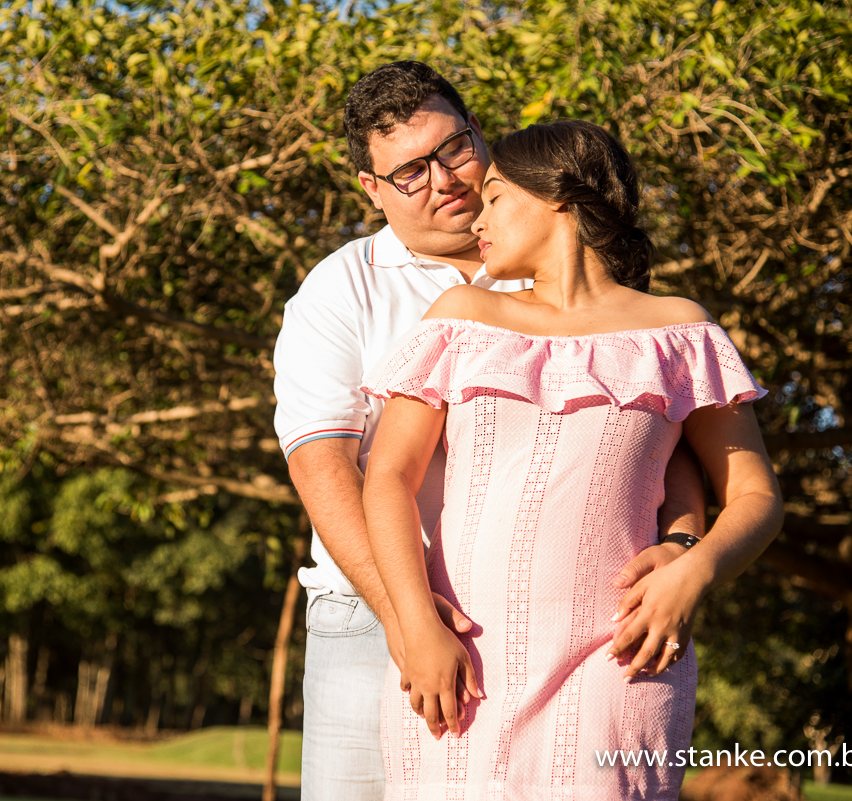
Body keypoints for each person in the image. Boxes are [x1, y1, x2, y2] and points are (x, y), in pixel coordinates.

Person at [273, 62, 709, 799]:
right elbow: (325, 467)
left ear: (480, 135)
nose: (443, 180)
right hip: (372, 606)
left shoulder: (555, 264)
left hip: (554, 619)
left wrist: (686, 546)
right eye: (409, 172)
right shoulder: (338, 289)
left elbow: (660, 442)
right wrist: (405, 616)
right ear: (371, 191)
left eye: (453, 149)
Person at [361, 119, 784, 798]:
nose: (478, 219)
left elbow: (758, 497)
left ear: (558, 196)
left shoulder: (679, 331)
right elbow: (386, 479)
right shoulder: (461, 314)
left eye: (495, 197)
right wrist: (413, 623)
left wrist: (696, 564)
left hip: (621, 661)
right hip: (461, 664)